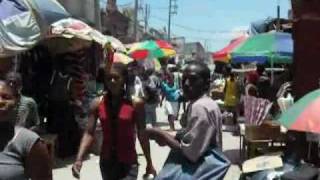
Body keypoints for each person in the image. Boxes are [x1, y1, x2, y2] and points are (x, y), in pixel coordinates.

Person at [145, 61, 229, 179]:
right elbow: (194, 135)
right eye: (184, 79)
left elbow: (190, 153)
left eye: (193, 80)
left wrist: (161, 134)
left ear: (206, 84)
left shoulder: (199, 107)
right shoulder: (208, 103)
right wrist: (171, 135)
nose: (186, 84)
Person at [72, 62, 156, 180]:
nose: (112, 81)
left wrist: (149, 162)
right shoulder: (97, 104)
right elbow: (89, 132)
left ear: (124, 80)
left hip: (128, 162)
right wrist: (79, 159)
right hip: (107, 162)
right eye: (109, 78)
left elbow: (142, 133)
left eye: (116, 78)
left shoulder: (136, 104)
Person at [0, 74, 52, 180]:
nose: (0, 101)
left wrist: (27, 132)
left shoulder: (30, 143)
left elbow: (37, 123)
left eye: (6, 97)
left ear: (16, 101)